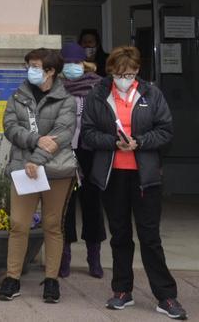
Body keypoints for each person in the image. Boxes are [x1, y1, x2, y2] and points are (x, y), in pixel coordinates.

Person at [81, 46, 187, 320]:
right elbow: (89, 134)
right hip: (112, 175)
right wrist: (113, 143)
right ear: (111, 72)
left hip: (145, 177)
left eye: (129, 73)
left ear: (138, 71)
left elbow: (165, 131)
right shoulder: (98, 94)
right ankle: (122, 291)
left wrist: (139, 143)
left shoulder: (152, 94)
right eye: (119, 74)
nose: (124, 78)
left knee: (150, 237)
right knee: (120, 235)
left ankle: (166, 296)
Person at [0, 48, 76, 305]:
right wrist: (34, 142)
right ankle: (12, 278)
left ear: (50, 70)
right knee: (18, 224)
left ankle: (51, 280)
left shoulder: (66, 100)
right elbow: (9, 127)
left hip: (55, 172)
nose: (30, 69)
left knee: (52, 225)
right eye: (29, 65)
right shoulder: (18, 95)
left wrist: (35, 160)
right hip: (23, 170)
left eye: (35, 66)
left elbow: (62, 136)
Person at [59, 41, 106, 279]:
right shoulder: (57, 87)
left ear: (84, 64)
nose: (71, 68)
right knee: (65, 204)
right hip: (65, 151)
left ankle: (94, 257)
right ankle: (64, 257)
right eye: (67, 63)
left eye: (76, 63)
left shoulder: (98, 87)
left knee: (92, 204)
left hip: (91, 151)